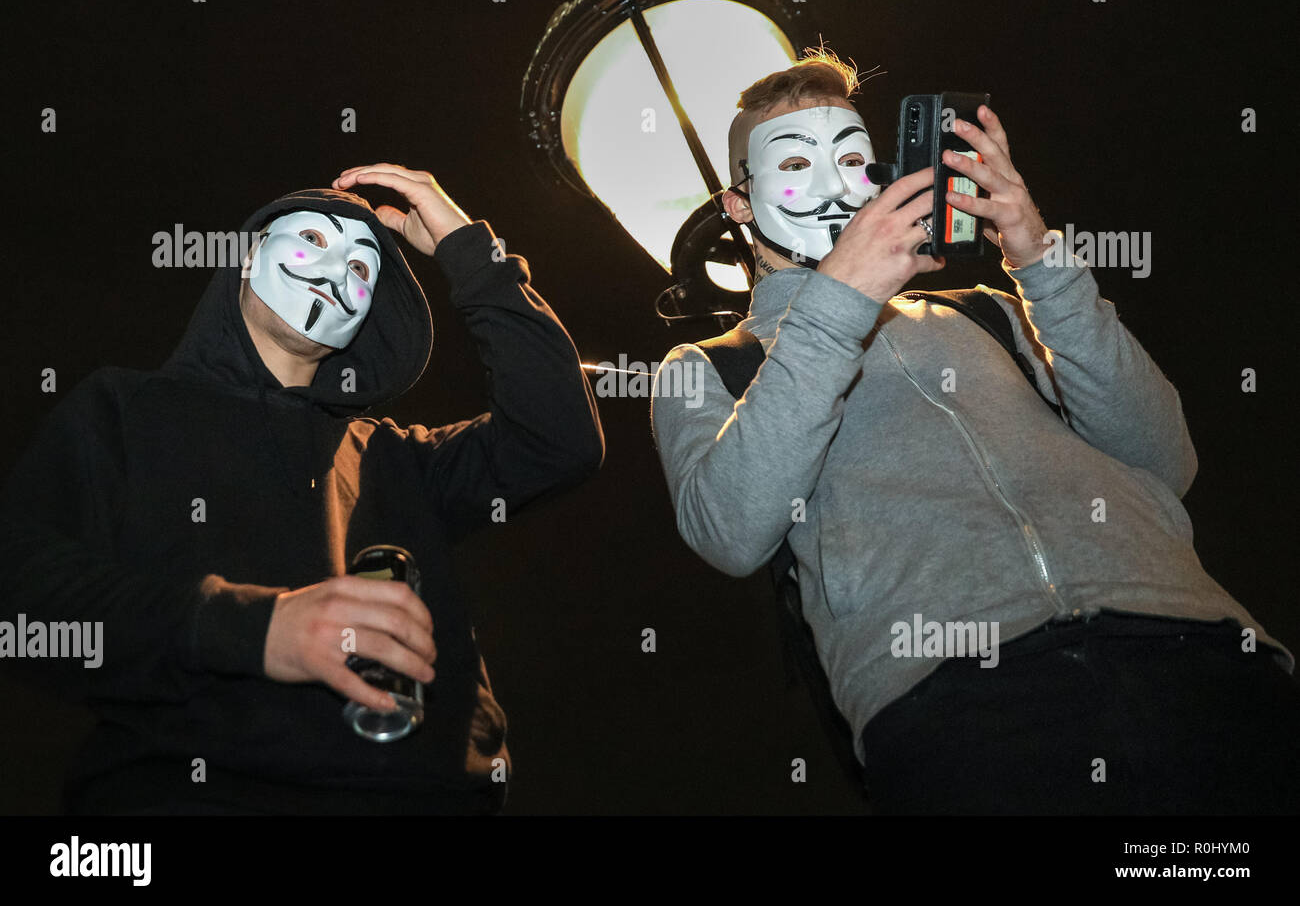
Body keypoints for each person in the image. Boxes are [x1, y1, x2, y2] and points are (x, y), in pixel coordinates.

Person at [650, 53, 1299, 814]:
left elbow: (1164, 459)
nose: (833, 184)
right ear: (739, 205)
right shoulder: (706, 367)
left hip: (1204, 660)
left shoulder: (988, 311)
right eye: (794, 162)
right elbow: (730, 528)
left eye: (854, 159)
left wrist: (1038, 257)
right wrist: (836, 303)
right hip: (962, 707)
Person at [0, 164, 604, 814]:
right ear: (251, 252)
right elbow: (23, 600)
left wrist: (472, 254)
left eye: (365, 268)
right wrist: (254, 630)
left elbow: (559, 439)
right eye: (313, 240)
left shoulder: (397, 458)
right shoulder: (122, 412)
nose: (338, 269)